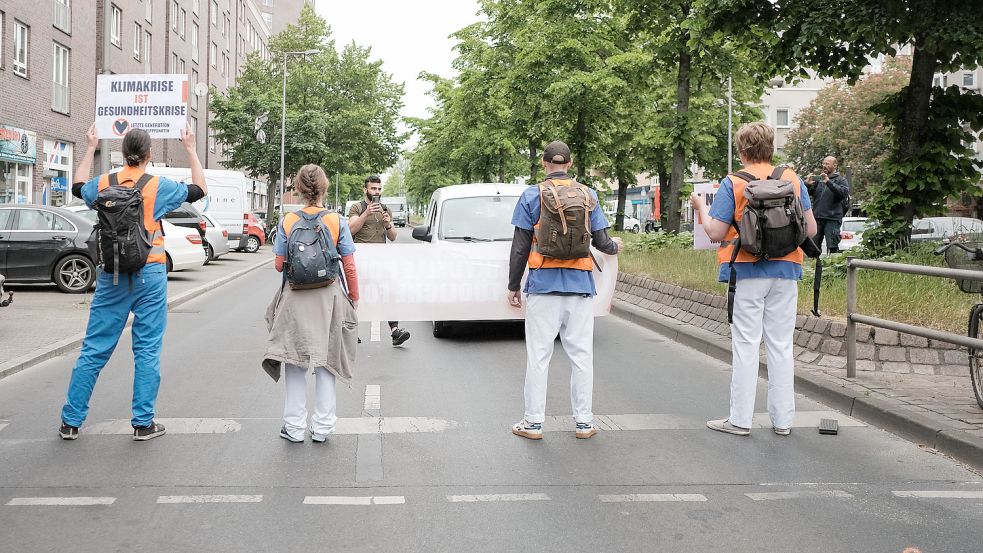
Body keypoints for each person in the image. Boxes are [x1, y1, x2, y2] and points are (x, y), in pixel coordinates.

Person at [59, 124, 207, 441]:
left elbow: (77, 187)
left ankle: (71, 421)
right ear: (148, 155)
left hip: (111, 274)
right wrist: (191, 148)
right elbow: (199, 190)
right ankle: (142, 424)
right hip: (149, 273)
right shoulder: (157, 185)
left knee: (94, 350)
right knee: (147, 351)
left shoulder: (104, 183)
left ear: (124, 154)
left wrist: (89, 147)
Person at [690, 122, 817, 437]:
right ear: (771, 148)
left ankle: (740, 420)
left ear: (742, 151)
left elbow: (717, 233)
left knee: (746, 345)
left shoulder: (733, 182)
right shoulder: (791, 179)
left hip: (746, 271)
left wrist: (700, 210)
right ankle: (783, 421)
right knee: (781, 345)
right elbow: (811, 230)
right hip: (786, 270)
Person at [507, 140, 624, 440]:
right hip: (580, 287)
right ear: (569, 164)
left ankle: (533, 423)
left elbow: (520, 247)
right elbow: (601, 241)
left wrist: (513, 286)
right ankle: (584, 422)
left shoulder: (532, 195)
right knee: (582, 356)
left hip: (543, 286)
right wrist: (615, 247)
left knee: (538, 356)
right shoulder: (588, 195)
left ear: (545, 164)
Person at [263, 165, 359, 443]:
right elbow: (350, 266)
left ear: (299, 190)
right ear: (325, 187)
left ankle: (293, 427)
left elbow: (279, 264)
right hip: (328, 296)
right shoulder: (336, 220)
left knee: (294, 360)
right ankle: (323, 427)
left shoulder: (288, 220)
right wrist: (353, 297)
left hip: (295, 296)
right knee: (327, 360)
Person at [347, 174, 409, 346]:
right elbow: (350, 230)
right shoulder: (357, 208)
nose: (377, 192)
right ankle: (351, 332)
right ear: (365, 189)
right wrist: (367, 213)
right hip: (360, 261)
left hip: (380, 261)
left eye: (379, 189)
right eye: (373, 188)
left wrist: (388, 223)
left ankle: (395, 331)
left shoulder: (385, 209)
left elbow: (393, 236)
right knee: (356, 296)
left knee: (387, 293)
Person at [806, 156, 850, 253]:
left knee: (833, 247)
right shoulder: (819, 180)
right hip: (817, 218)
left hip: (832, 219)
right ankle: (816, 267)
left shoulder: (841, 180)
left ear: (834, 166)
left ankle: (833, 267)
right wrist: (808, 185)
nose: (824, 166)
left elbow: (843, 193)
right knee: (813, 247)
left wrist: (828, 182)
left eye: (827, 164)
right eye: (823, 163)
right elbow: (809, 194)